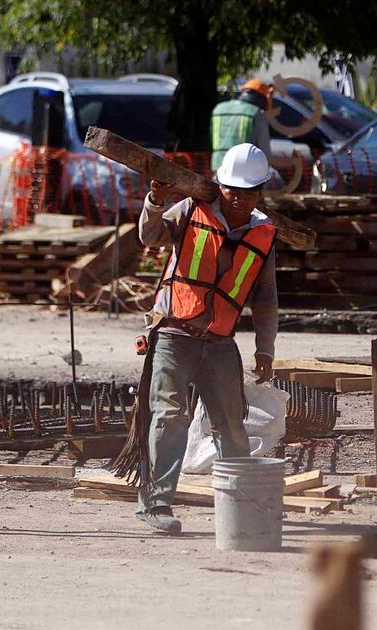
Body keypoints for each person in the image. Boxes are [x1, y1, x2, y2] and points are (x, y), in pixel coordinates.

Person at [134, 143, 279, 535]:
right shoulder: (190, 210)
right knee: (168, 416)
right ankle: (157, 503)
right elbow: (149, 236)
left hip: (219, 342)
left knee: (231, 425)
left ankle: (243, 503)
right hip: (174, 335)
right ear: (219, 183)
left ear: (260, 192)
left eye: (248, 191)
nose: (238, 197)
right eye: (232, 188)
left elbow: (266, 299)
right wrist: (155, 200)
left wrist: (264, 348)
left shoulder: (263, 234)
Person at [210, 79, 274, 171]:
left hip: (218, 166)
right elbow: (265, 152)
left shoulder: (219, 109)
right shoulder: (257, 113)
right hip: (244, 169)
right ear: (261, 99)